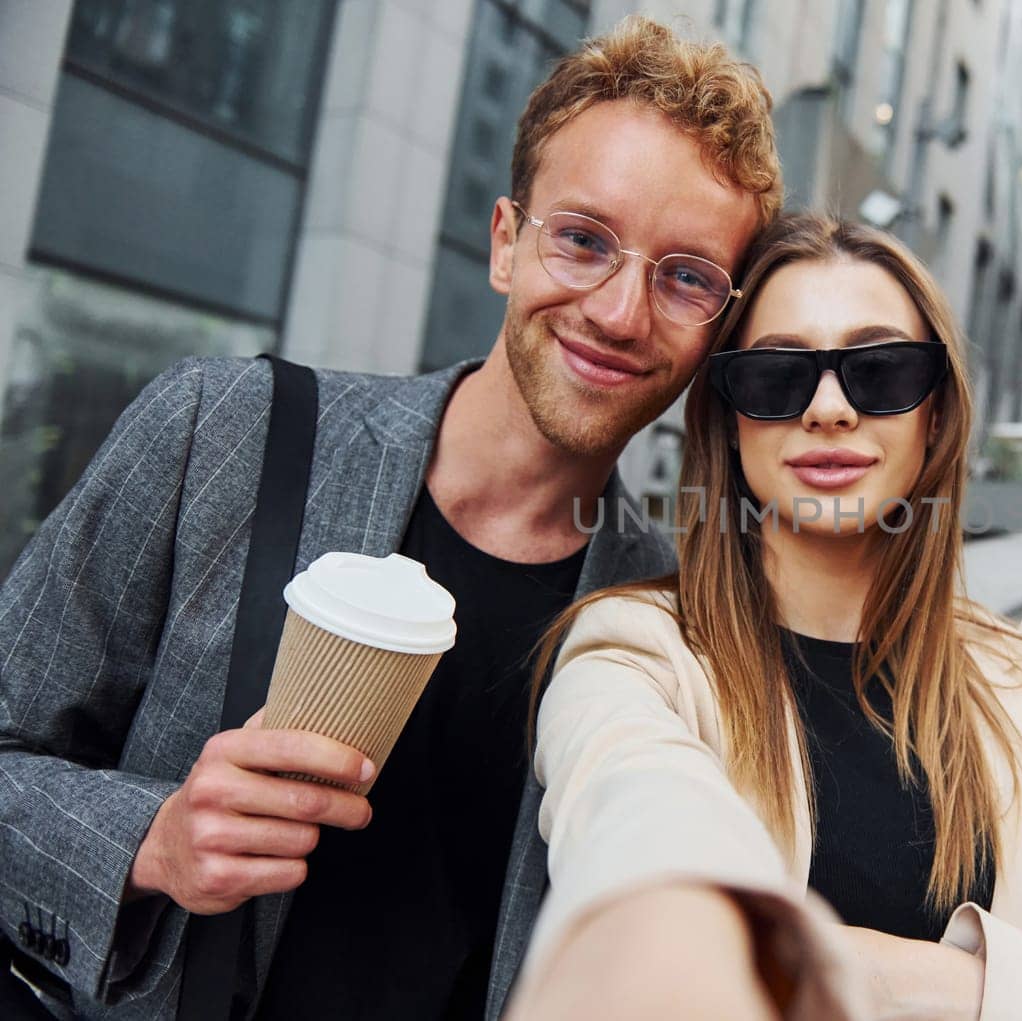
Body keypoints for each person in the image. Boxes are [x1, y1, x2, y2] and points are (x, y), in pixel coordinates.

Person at [0, 18, 820, 1020]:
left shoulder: (668, 622)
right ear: (507, 243)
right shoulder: (225, 431)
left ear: (716, 331)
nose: (619, 311)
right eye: (583, 240)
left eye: (685, 275)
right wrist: (150, 841)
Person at [519, 214, 1022, 1019]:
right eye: (778, 376)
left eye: (883, 369)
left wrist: (891, 975)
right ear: (728, 420)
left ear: (936, 415)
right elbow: (640, 836)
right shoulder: (636, 653)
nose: (828, 408)